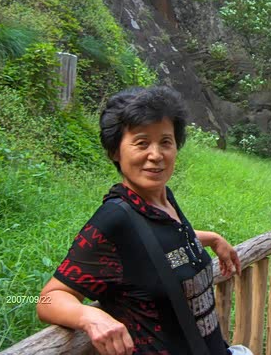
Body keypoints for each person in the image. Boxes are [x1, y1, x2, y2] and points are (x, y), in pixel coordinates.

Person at [37, 86, 252, 355]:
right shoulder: (114, 219)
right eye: (141, 143)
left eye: (166, 142)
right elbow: (48, 299)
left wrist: (213, 238)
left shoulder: (163, 199)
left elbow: (158, 244)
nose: (156, 155)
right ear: (115, 151)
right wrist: (89, 316)